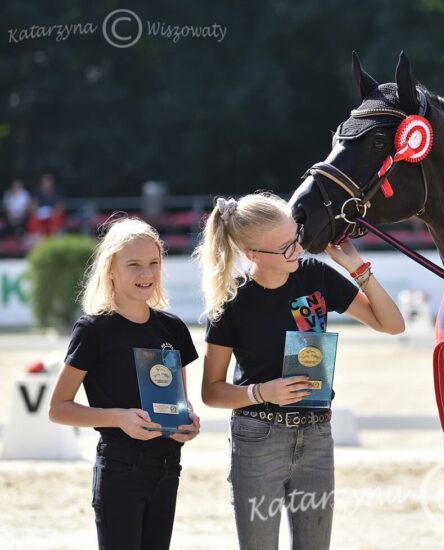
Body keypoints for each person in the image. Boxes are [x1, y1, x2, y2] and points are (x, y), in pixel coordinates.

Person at [194, 192, 404, 550]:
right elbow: (211, 391)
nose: (299, 250)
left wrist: (355, 266)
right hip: (257, 438)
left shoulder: (316, 276)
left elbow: (392, 324)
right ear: (253, 255)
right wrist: (261, 393)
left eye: (298, 238)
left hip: (317, 435)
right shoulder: (232, 301)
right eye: (287, 247)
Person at [48, 217, 201, 550]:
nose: (146, 274)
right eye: (134, 265)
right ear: (111, 270)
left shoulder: (173, 329)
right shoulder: (93, 331)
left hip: (168, 468)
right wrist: (119, 418)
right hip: (120, 470)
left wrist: (187, 424)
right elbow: (58, 409)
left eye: (153, 263)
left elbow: (180, 404)